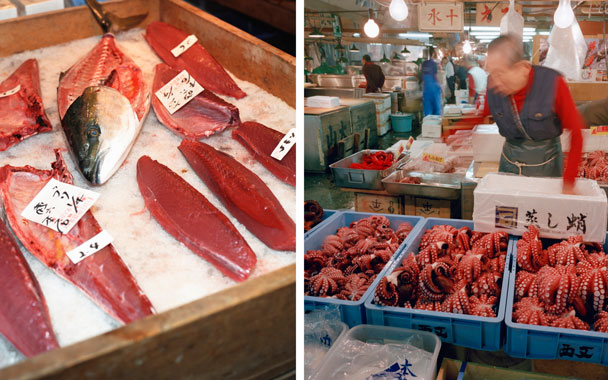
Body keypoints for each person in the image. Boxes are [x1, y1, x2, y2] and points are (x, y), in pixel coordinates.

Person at [482, 34, 583, 194]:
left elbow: (577, 133)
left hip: (547, 165)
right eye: (491, 73)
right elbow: (483, 115)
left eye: (500, 73)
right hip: (509, 165)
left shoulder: (553, 83)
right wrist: (458, 131)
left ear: (523, 68)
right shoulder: (494, 84)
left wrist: (569, 181)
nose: (495, 82)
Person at [421, 47, 442, 116]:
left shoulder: (423, 64)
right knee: (436, 108)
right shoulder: (434, 64)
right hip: (434, 89)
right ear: (433, 54)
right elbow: (435, 76)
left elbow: (422, 78)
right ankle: (436, 126)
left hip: (426, 89)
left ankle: (427, 124)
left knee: (427, 109)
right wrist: (441, 88)